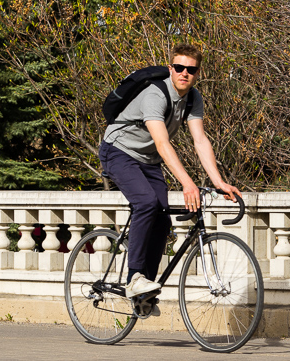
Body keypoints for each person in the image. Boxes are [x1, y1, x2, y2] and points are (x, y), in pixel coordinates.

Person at [98, 43, 241, 299]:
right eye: (179, 67)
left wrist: (218, 181)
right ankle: (135, 279)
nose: (184, 73)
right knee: (146, 203)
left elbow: (200, 140)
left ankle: (144, 292)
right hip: (118, 151)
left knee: (163, 219)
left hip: (148, 159)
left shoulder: (194, 98)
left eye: (191, 69)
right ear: (170, 68)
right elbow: (163, 143)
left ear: (198, 73)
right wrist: (187, 183)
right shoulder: (156, 94)